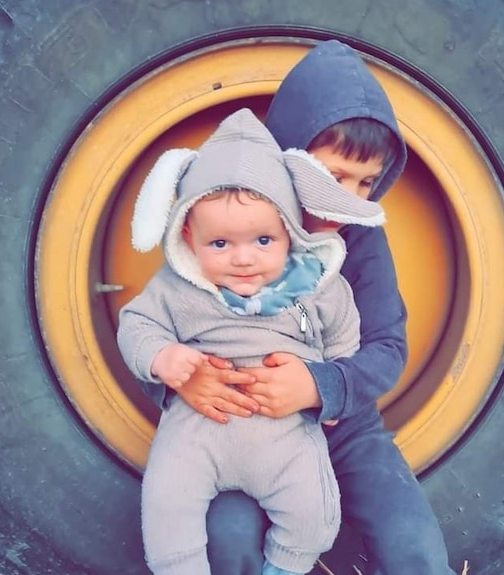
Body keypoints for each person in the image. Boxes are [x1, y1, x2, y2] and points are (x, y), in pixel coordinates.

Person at [196, 41, 457, 574]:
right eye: (334, 176)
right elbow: (168, 321)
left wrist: (323, 386)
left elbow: (388, 345)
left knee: (412, 544)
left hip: (343, 429)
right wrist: (184, 382)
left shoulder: (359, 237)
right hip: (245, 429)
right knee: (228, 536)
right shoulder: (226, 221)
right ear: (288, 154)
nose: (349, 196)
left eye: (366, 183)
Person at [116, 108, 387, 575]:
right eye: (220, 244)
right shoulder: (177, 287)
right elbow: (135, 324)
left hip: (286, 434)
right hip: (196, 433)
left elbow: (346, 339)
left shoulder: (319, 285)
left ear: (288, 232)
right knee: (166, 503)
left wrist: (327, 391)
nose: (243, 259)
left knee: (312, 513)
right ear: (187, 235)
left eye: (263, 240)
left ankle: (284, 567)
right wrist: (163, 356)